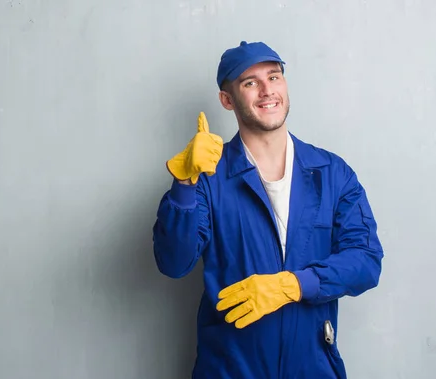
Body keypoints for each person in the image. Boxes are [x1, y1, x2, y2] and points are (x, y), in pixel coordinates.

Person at [152, 41, 384, 379]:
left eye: (274, 77)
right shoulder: (209, 178)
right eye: (250, 83)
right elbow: (173, 262)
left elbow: (365, 260)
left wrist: (292, 285)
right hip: (230, 370)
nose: (267, 91)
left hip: (313, 369)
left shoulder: (332, 173)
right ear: (227, 100)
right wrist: (185, 184)